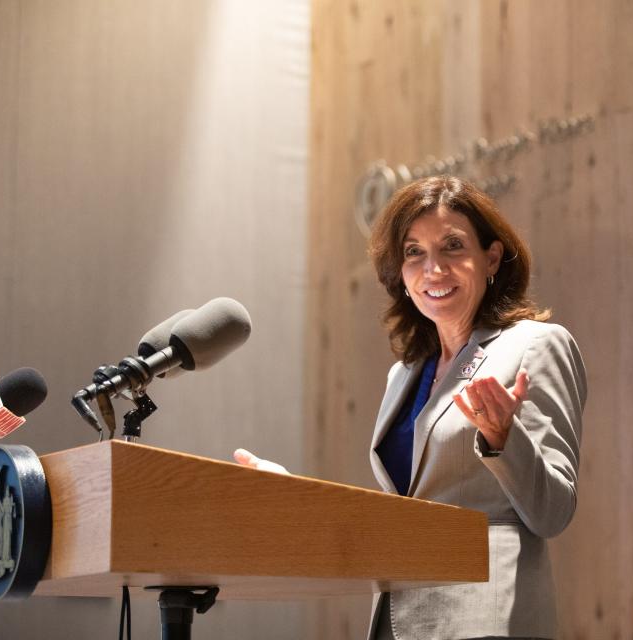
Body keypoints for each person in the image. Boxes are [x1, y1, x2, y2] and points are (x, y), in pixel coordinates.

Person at [239, 175, 586, 640]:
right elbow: (402, 518)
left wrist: (505, 441)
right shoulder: (404, 374)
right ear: (400, 273)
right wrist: (299, 500)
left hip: (486, 621)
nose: (433, 268)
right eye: (413, 252)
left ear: (492, 258)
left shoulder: (536, 345)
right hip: (397, 621)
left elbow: (553, 511)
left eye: (453, 246)